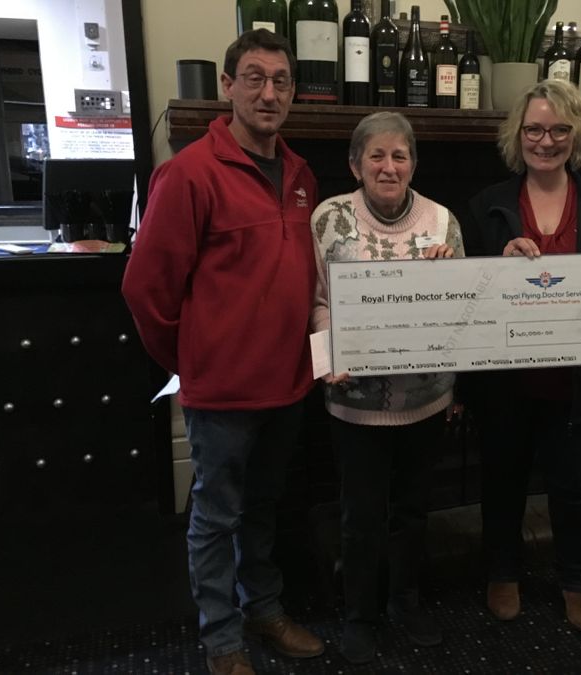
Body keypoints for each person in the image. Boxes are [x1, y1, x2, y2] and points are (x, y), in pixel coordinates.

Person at [122, 29, 324, 675]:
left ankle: (264, 609)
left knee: (263, 510)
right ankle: (222, 640)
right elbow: (146, 289)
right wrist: (192, 359)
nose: (269, 92)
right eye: (256, 77)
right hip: (222, 394)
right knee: (215, 518)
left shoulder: (299, 174)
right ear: (228, 87)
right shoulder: (187, 174)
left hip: (289, 384)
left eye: (281, 80)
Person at [462, 80, 581, 634]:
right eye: (535, 129)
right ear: (517, 135)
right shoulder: (487, 204)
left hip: (578, 379)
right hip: (505, 380)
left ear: (578, 134)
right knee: (502, 483)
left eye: (560, 129)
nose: (547, 141)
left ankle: (577, 581)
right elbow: (465, 285)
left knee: (574, 488)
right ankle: (502, 573)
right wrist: (499, 259)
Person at [310, 111, 463, 664]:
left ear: (414, 164)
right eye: (376, 155)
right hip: (354, 403)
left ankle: (406, 599)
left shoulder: (443, 222)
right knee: (360, 516)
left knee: (413, 511)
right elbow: (317, 300)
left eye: (400, 155)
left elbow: (464, 310)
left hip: (426, 400)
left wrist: (450, 276)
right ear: (355, 164)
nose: (388, 166)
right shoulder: (329, 219)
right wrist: (327, 359)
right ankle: (360, 614)